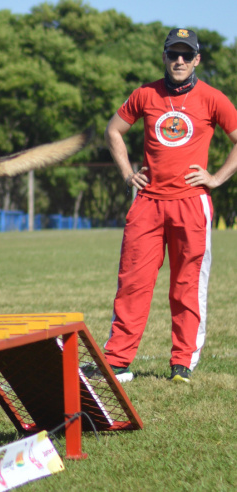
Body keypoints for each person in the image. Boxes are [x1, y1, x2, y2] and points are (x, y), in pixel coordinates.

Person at [103, 28, 237, 384]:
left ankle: (182, 363)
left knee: (187, 283)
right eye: (173, 54)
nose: (179, 61)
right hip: (147, 203)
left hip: (192, 204)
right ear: (164, 56)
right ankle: (117, 360)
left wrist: (217, 178)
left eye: (186, 55)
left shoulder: (212, 98)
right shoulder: (145, 94)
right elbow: (113, 130)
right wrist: (128, 172)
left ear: (197, 59)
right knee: (133, 282)